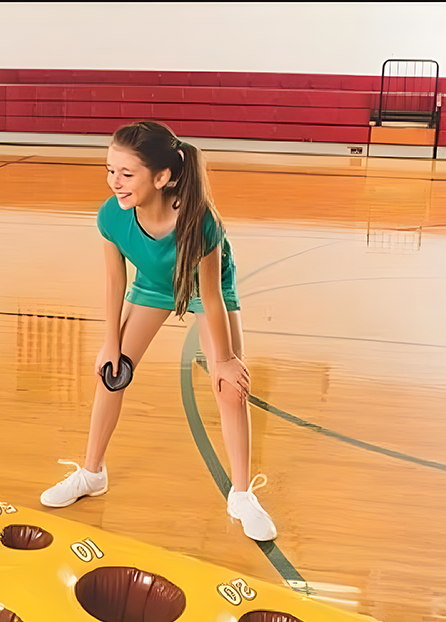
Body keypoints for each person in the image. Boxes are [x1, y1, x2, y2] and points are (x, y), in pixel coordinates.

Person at [40, 120, 276, 542]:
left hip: (207, 290)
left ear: (162, 177)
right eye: (110, 169)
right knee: (111, 375)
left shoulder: (200, 221)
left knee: (229, 387)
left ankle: (241, 495)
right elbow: (115, 282)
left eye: (126, 174)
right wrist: (110, 343)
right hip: (150, 285)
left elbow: (210, 293)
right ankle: (92, 473)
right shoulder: (112, 216)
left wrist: (223, 361)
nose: (115, 181)